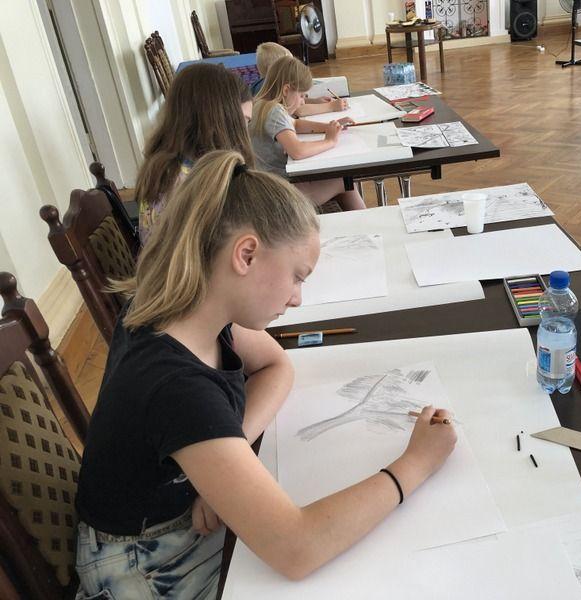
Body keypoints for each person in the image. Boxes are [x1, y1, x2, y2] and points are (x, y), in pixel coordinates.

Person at [74, 150, 456, 598]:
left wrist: (224, 460)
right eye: (297, 276)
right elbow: (297, 547)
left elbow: (277, 366)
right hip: (145, 563)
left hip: (171, 521)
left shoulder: (193, 308)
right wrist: (415, 464)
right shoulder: (176, 385)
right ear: (247, 254)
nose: (297, 298)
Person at [135, 63, 254, 245]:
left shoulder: (170, 164)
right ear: (219, 120)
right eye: (243, 122)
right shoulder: (189, 181)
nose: (246, 132)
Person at [251, 56, 366, 210]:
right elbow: (298, 151)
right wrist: (329, 141)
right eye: (301, 95)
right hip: (279, 194)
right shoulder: (274, 111)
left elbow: (296, 124)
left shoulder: (263, 105)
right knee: (344, 181)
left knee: (342, 181)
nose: (303, 102)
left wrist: (329, 127)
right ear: (286, 90)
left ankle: (357, 221)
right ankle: (366, 222)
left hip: (269, 186)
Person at [251, 42, 347, 117]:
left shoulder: (265, 84)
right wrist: (331, 106)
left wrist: (314, 101)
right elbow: (299, 111)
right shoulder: (265, 87)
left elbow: (292, 102)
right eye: (289, 66)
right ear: (275, 68)